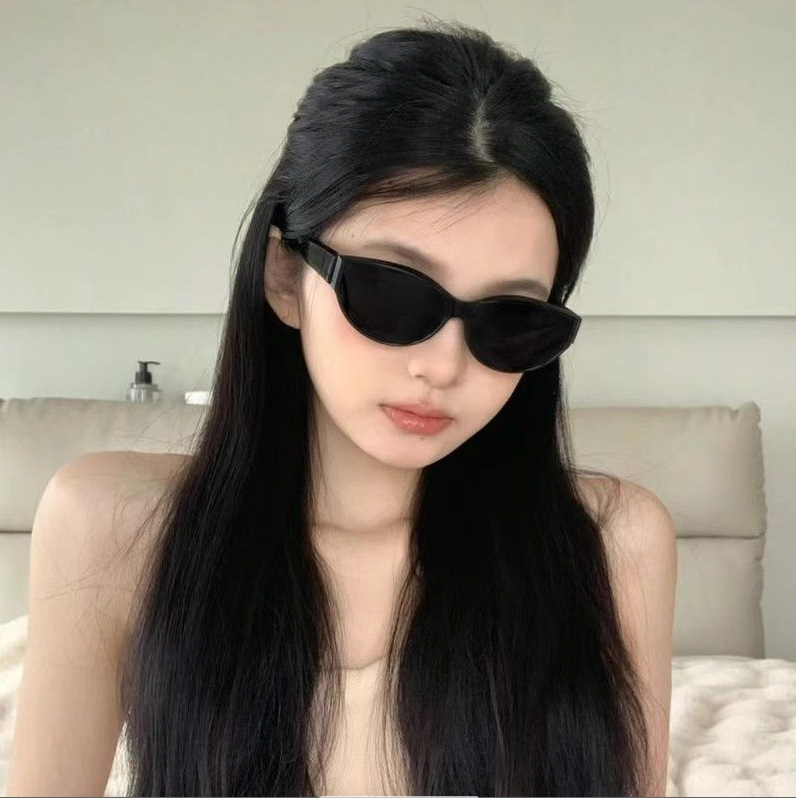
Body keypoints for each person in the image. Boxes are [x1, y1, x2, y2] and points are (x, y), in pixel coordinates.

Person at [8, 17, 677, 797]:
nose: (443, 366)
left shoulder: (614, 542)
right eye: (391, 292)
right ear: (284, 277)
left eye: (509, 319)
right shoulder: (113, 523)